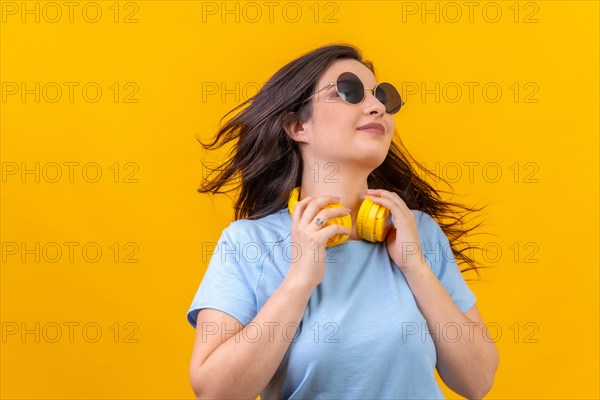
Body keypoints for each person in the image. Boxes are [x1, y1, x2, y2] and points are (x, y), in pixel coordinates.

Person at [187, 43, 499, 399]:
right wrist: (300, 281)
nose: (377, 106)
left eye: (383, 97)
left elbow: (478, 380)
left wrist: (416, 267)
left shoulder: (417, 233)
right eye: (348, 91)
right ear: (297, 125)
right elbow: (214, 392)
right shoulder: (248, 244)